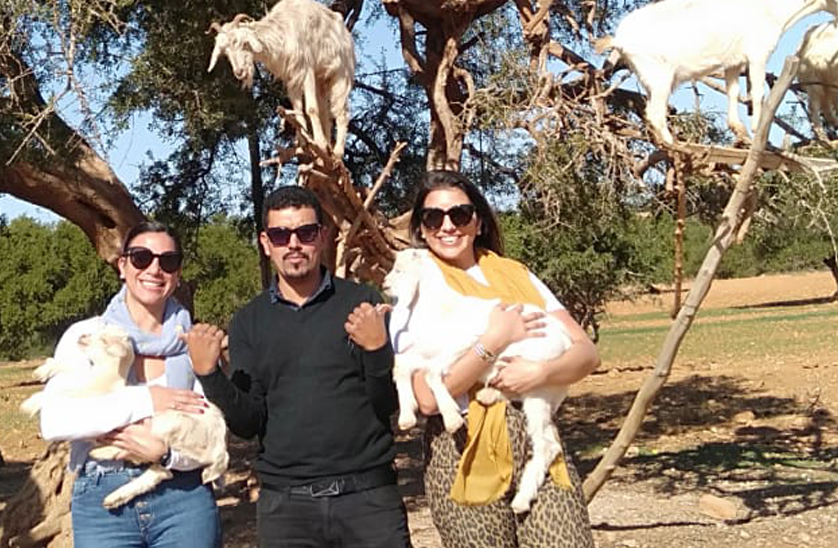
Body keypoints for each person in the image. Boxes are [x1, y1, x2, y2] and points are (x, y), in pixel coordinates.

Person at [187, 184, 412, 548]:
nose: (293, 243)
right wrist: (210, 375)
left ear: (322, 237)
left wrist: (375, 350)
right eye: (280, 234)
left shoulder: (362, 304)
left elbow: (387, 404)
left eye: (305, 232)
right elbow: (248, 423)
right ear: (265, 242)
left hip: (369, 501)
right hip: (287, 509)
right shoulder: (249, 322)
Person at [391, 169, 599, 548]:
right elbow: (424, 397)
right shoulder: (415, 283)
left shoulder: (514, 274)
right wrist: (494, 340)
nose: (447, 226)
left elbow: (585, 352)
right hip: (463, 448)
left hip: (535, 434)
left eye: (460, 214)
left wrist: (540, 372)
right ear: (421, 228)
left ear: (479, 220)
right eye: (433, 217)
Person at [37, 221, 221, 548]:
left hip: (183, 498)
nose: (154, 268)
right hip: (102, 498)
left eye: (168, 261)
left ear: (177, 274)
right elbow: (56, 420)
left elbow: (207, 437)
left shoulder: (195, 342)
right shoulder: (89, 336)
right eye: (141, 257)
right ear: (122, 266)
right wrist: (149, 400)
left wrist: (165, 453)